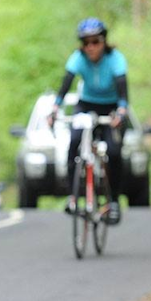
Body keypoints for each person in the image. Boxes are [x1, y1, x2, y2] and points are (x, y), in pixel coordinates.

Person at [50, 17, 129, 224]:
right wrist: (55, 107)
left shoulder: (116, 59)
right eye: (86, 43)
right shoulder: (78, 58)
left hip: (111, 106)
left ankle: (113, 202)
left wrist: (121, 112)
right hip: (86, 104)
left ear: (104, 41)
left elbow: (123, 91)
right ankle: (73, 197)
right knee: (74, 142)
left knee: (113, 151)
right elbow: (66, 83)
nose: (91, 47)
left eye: (95, 41)